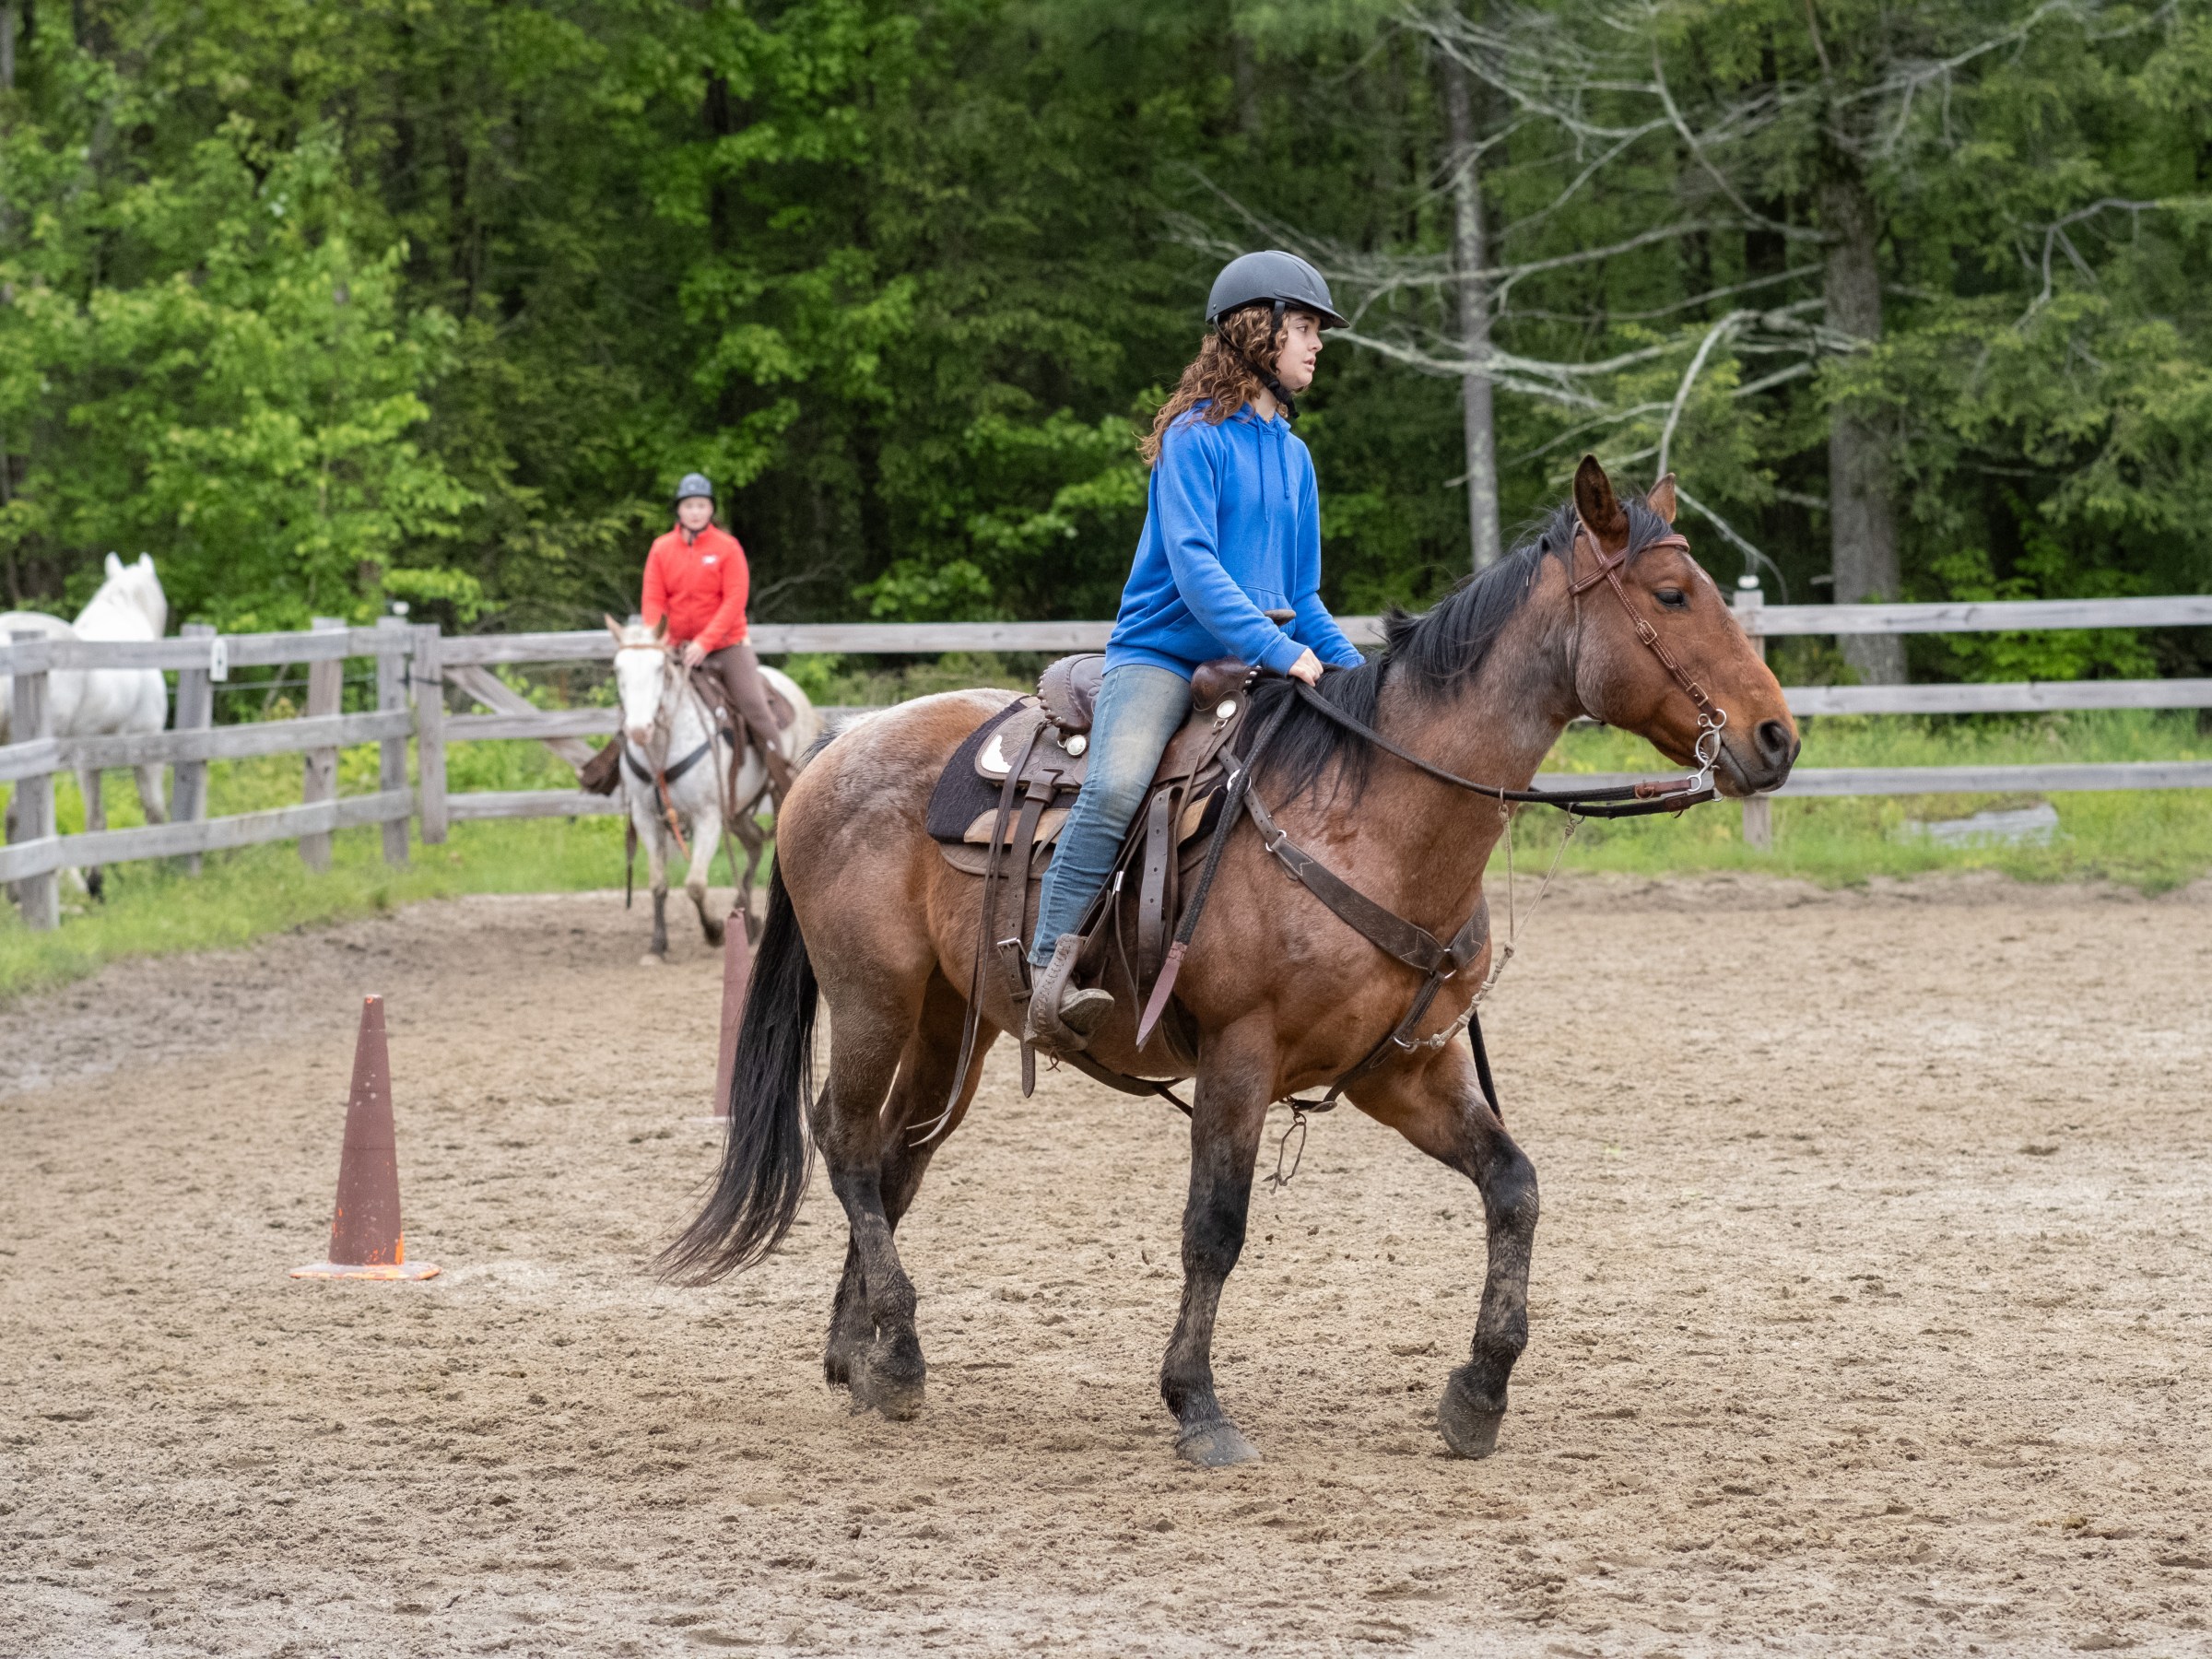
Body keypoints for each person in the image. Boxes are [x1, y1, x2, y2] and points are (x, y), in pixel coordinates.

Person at [1024, 250, 1367, 1053]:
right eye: (1307, 327)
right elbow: (1197, 566)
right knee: (1113, 790)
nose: (1317, 344)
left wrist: (1358, 677)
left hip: (1258, 655)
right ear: (1258, 330)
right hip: (1162, 654)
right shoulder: (1193, 438)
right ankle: (1044, 970)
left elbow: (1305, 594)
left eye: (1319, 330)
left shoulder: (1295, 454)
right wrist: (1279, 651)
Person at [641, 472, 794, 799]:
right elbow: (653, 602)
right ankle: (635, 780)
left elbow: (735, 600)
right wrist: (664, 642)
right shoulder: (661, 549)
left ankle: (786, 782)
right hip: (676, 646)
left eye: (702, 505)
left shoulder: (727, 547)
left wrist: (704, 643)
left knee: (754, 706)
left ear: (711, 510)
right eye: (689, 505)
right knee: (642, 700)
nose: (695, 511)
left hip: (726, 645)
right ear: (678, 511)